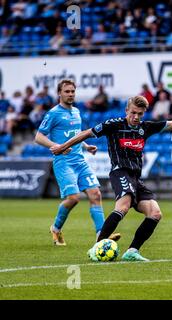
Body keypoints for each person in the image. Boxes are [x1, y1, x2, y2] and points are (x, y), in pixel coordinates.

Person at [51, 96, 172, 261]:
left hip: (136, 178)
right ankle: (96, 247)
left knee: (155, 213)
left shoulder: (145, 128)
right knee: (123, 207)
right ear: (127, 110)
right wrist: (63, 146)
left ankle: (132, 251)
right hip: (120, 172)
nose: (136, 117)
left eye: (140, 114)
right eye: (133, 112)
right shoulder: (114, 125)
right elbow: (86, 133)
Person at [35, 79, 120, 246]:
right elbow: (38, 137)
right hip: (63, 162)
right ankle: (56, 228)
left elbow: (75, 135)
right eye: (67, 91)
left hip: (80, 161)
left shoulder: (76, 112)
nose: (70, 94)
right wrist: (56, 146)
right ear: (59, 93)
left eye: (73, 91)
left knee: (96, 194)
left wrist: (86, 146)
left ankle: (101, 236)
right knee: (74, 198)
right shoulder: (53, 113)